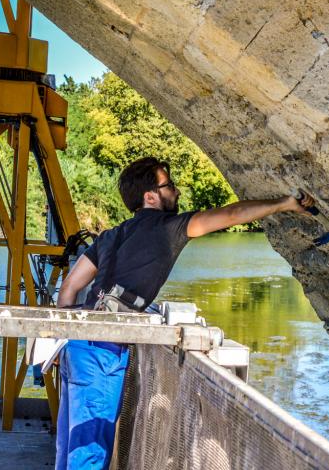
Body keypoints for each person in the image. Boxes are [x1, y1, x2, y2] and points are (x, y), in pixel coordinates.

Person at [54, 156, 313, 469]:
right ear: (151, 196)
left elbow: (69, 289)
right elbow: (232, 214)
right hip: (104, 350)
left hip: (77, 342)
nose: (176, 191)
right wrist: (284, 204)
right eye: (169, 185)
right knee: (91, 452)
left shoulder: (110, 235)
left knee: (71, 445)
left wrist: (67, 336)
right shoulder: (170, 227)